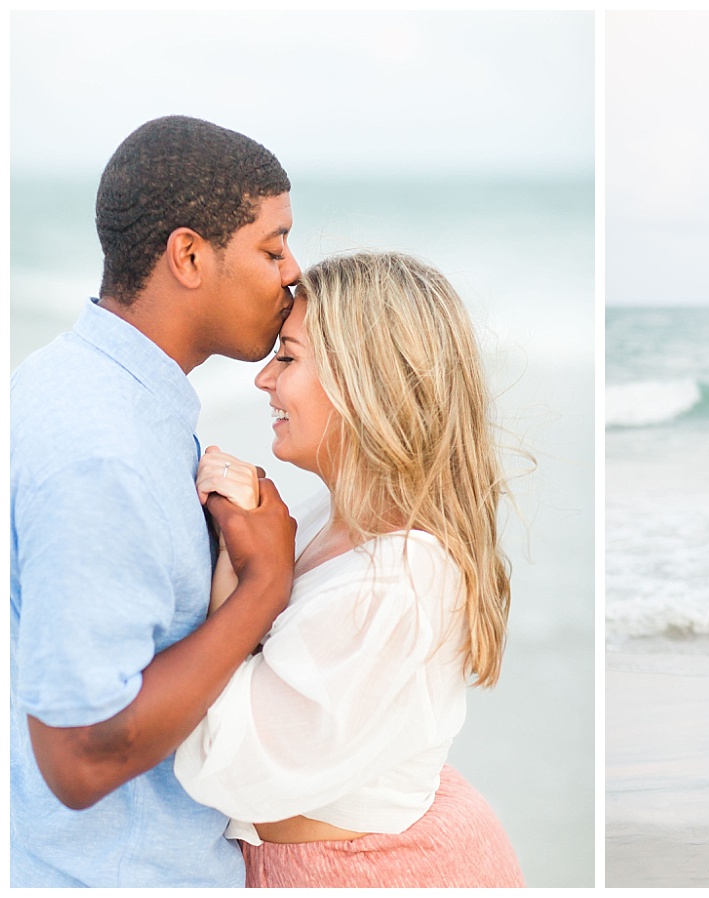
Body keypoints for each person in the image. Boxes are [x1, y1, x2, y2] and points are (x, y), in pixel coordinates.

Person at [173, 251, 525, 888]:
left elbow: (223, 770)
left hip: (375, 873)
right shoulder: (328, 517)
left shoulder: (399, 580)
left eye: (288, 356)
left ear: (364, 382)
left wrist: (247, 574)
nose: (263, 380)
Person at [10, 116, 300, 887]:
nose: (293, 271)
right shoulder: (104, 451)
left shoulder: (71, 380)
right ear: (189, 255)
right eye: (272, 248)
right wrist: (264, 589)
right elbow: (79, 755)